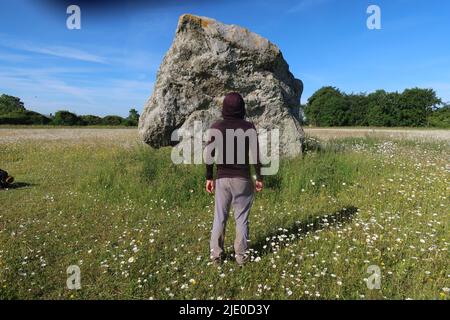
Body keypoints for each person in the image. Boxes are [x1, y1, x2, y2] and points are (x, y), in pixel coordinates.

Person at [205, 92, 263, 266]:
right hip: (242, 178)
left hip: (222, 178)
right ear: (242, 107)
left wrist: (209, 177)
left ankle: (216, 257)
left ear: (224, 107)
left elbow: (209, 155)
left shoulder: (217, 127)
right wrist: (259, 177)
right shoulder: (248, 127)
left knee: (219, 218)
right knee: (241, 219)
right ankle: (241, 257)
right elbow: (256, 156)